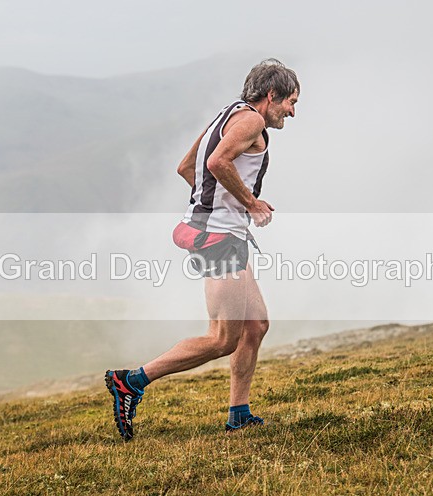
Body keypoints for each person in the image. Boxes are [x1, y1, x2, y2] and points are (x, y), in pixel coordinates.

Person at [106, 59, 300, 440]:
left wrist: (210, 206)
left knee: (256, 325)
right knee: (221, 338)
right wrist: (250, 203)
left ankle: (239, 414)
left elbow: (186, 168)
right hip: (219, 240)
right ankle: (131, 381)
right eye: (291, 101)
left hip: (222, 234)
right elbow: (215, 162)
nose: (292, 111)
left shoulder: (227, 116)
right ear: (271, 95)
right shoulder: (252, 122)